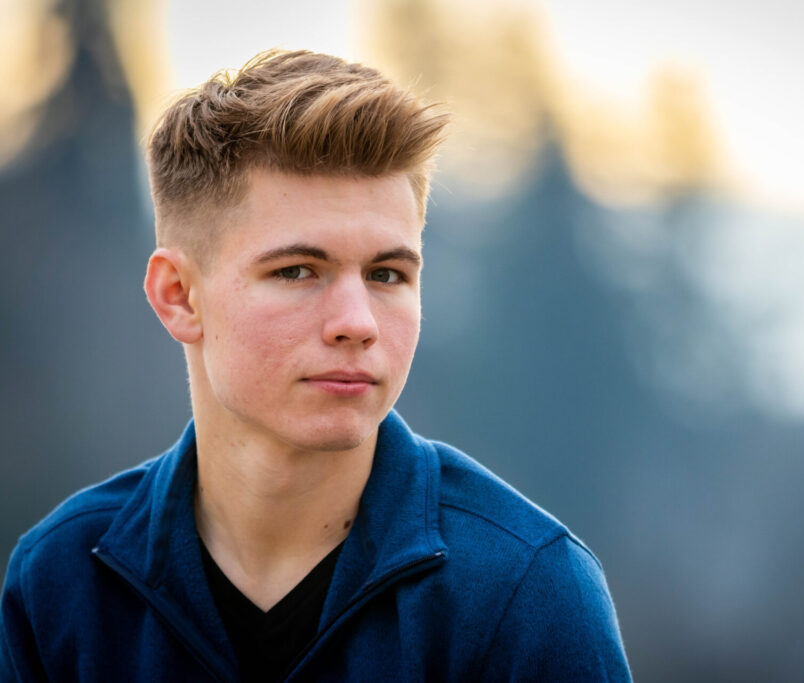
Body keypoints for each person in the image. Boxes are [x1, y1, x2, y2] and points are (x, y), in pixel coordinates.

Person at [0, 50, 630, 681]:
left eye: (387, 274)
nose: (357, 321)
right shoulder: (60, 584)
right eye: (297, 271)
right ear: (179, 296)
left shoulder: (529, 593)